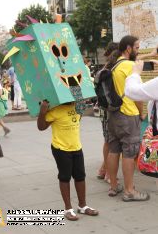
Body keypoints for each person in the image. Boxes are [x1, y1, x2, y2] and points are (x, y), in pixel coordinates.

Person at [37, 101, 98, 221]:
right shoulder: (55, 110)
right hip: (61, 148)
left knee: (80, 176)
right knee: (65, 177)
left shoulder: (78, 106)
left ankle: (82, 206)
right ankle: (68, 209)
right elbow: (41, 127)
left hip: (76, 147)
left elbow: (77, 119)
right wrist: (42, 112)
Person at [107, 35, 150, 201]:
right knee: (129, 153)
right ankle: (129, 190)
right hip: (128, 113)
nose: (138, 51)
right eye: (137, 48)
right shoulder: (131, 66)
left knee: (113, 150)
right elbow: (137, 94)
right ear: (128, 49)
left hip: (114, 114)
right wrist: (141, 112)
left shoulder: (114, 64)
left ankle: (113, 187)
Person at [96, 42, 119, 183]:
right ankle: (108, 174)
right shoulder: (112, 67)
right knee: (109, 142)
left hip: (103, 109)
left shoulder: (105, 67)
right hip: (109, 110)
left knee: (108, 141)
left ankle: (103, 170)